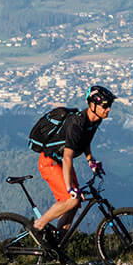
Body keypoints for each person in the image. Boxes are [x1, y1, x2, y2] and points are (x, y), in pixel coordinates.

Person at [30, 85, 115, 248]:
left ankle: (56, 246)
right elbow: (68, 157)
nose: (108, 109)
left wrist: (91, 161)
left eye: (109, 105)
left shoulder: (95, 121)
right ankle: (38, 226)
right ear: (93, 105)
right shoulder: (77, 123)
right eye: (105, 105)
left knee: (74, 205)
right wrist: (70, 188)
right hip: (50, 162)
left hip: (60, 162)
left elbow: (85, 143)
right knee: (72, 199)